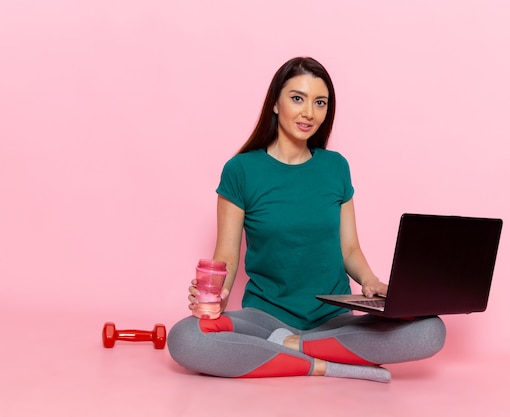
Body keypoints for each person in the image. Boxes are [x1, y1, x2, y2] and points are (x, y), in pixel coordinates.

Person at [167, 57, 446, 383]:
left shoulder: (335, 167)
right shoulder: (240, 171)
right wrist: (218, 297)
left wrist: (371, 282)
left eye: (320, 102)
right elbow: (226, 256)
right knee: (185, 337)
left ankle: (293, 348)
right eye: (297, 98)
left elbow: (350, 249)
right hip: (264, 320)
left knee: (431, 330)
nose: (309, 113)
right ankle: (324, 364)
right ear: (275, 103)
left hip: (334, 319)